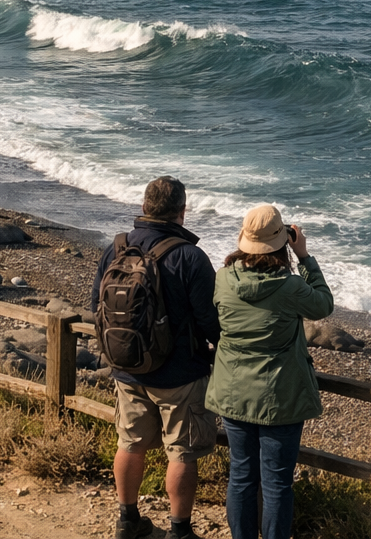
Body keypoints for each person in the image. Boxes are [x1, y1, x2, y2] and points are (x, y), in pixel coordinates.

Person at [91, 176, 221, 539]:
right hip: (179, 374)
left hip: (127, 368)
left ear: (144, 207)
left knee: (129, 443)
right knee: (182, 452)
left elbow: (95, 308)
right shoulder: (189, 257)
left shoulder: (116, 249)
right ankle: (179, 531)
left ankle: (127, 521)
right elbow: (210, 321)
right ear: (182, 210)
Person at [206, 204, 334, 539]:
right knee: (277, 484)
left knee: (241, 476)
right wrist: (304, 257)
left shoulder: (223, 279)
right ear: (282, 242)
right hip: (279, 398)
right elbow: (323, 304)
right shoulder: (289, 287)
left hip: (233, 394)